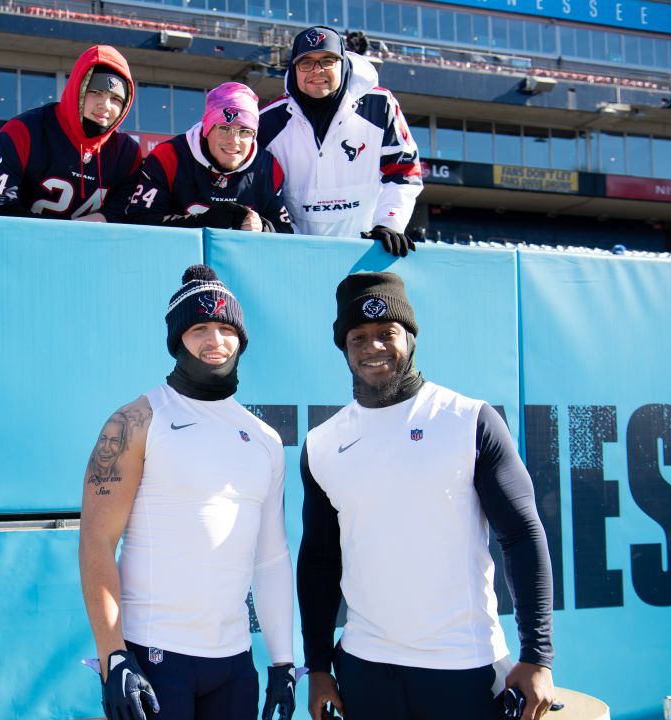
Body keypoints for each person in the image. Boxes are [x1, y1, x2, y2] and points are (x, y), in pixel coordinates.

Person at [297, 272, 556, 720]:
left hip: (463, 667)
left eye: (386, 334)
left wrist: (537, 655)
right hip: (364, 670)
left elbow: (521, 534)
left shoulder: (469, 419)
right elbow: (320, 560)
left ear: (410, 338)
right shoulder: (321, 443)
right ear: (343, 347)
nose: (373, 347)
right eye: (358, 337)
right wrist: (319, 666)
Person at [79, 264, 297, 720]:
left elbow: (271, 557)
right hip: (153, 658)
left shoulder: (263, 438)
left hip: (234, 665)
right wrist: (113, 655)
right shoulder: (135, 420)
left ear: (241, 339)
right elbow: (97, 542)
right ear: (178, 339)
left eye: (225, 329)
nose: (215, 341)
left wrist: (282, 661)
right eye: (200, 329)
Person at [257, 27, 423, 257]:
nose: (317, 70)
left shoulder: (379, 105)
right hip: (296, 251)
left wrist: (389, 222)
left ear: (343, 63)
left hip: (366, 250)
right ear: (293, 69)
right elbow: (258, 186)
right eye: (306, 63)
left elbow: (405, 171)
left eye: (327, 60)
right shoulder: (268, 120)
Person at [0, 45, 141, 222]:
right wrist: (61, 234)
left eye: (116, 99)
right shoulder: (23, 131)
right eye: (95, 92)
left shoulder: (127, 153)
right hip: (15, 244)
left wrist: (104, 218)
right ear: (77, 88)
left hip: (85, 247)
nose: (105, 105)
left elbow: (125, 211)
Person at [124, 82, 293, 233]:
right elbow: (139, 221)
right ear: (207, 128)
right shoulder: (169, 157)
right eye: (224, 128)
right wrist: (203, 223)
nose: (233, 141)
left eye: (244, 131)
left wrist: (262, 227)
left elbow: (285, 231)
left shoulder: (268, 168)